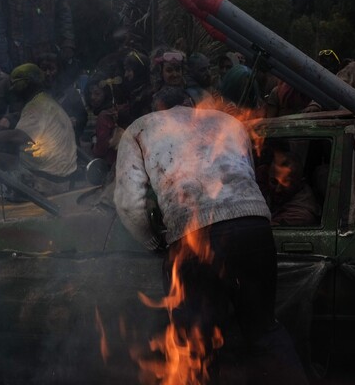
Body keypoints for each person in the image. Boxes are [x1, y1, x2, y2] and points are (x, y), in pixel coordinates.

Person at [113, 105, 308, 384]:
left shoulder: (139, 128)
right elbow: (246, 176)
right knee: (263, 329)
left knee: (194, 343)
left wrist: (152, 241)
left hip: (194, 237)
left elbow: (130, 203)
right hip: (254, 228)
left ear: (157, 107)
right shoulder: (227, 121)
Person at [0, 63, 77, 197]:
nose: (12, 90)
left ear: (27, 85)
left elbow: (16, 136)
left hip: (45, 182)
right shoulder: (48, 103)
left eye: (15, 85)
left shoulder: (36, 107)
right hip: (60, 177)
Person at [0, 0, 76, 73]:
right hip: (18, 57)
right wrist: (3, 60)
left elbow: (64, 14)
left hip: (48, 55)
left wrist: (67, 44)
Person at [37, 52, 87, 144]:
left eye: (51, 69)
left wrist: (75, 121)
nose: (48, 73)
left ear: (59, 70)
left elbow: (82, 118)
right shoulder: (34, 93)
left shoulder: (71, 93)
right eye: (44, 69)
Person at [267, 150, 321, 226]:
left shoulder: (299, 215)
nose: (277, 190)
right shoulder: (285, 197)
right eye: (273, 182)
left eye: (285, 183)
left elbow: (263, 229)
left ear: (301, 183)